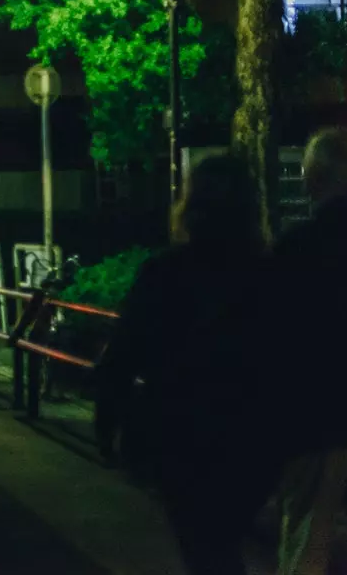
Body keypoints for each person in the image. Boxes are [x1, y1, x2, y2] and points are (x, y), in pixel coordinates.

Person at [95, 154, 275, 574]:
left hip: (180, 431)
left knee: (202, 543)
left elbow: (122, 355)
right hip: (254, 435)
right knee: (222, 540)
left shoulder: (165, 272)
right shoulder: (272, 274)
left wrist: (109, 423)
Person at [268, 128, 347, 575]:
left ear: (315, 178)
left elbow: (272, 334)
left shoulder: (299, 247)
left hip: (319, 413)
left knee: (310, 535)